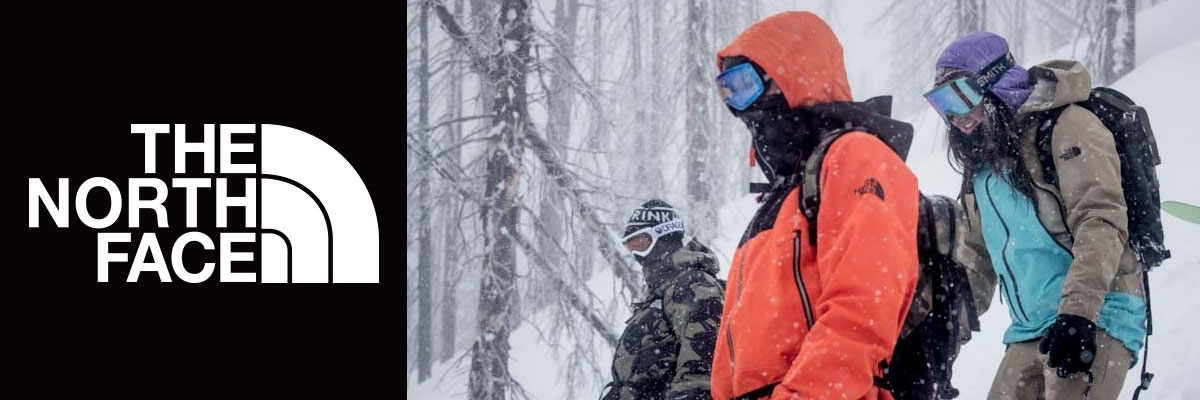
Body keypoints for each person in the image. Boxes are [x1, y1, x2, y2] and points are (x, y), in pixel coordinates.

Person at [708, 11, 921, 400]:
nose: (739, 104)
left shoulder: (854, 155)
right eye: (728, 91)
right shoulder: (780, 197)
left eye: (745, 84)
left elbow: (863, 304)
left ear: (791, 74)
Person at [927, 31, 1147, 399]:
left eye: (959, 97)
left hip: (1099, 313)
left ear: (993, 84)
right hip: (1030, 328)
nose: (955, 116)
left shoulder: (1067, 126)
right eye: (942, 104)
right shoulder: (982, 167)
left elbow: (1100, 221)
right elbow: (975, 262)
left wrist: (1078, 314)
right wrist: (939, 341)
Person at [601, 200, 724, 400]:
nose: (637, 255)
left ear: (664, 236)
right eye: (631, 247)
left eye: (641, 243)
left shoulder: (691, 284)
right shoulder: (661, 294)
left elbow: (703, 368)